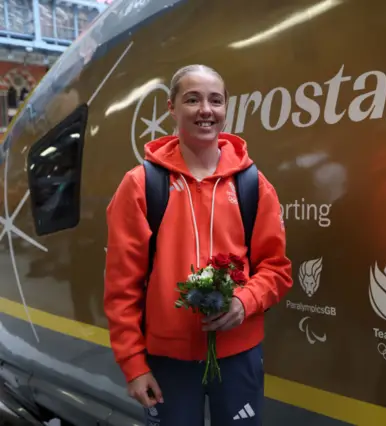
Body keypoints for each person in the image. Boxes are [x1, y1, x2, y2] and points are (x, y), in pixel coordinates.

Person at [103, 64, 293, 425]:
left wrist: (243, 301)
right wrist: (133, 364)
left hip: (238, 356)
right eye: (192, 99)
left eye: (215, 100)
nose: (206, 109)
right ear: (171, 108)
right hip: (167, 361)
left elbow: (277, 270)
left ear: (225, 109)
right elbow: (121, 287)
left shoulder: (253, 184)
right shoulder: (141, 185)